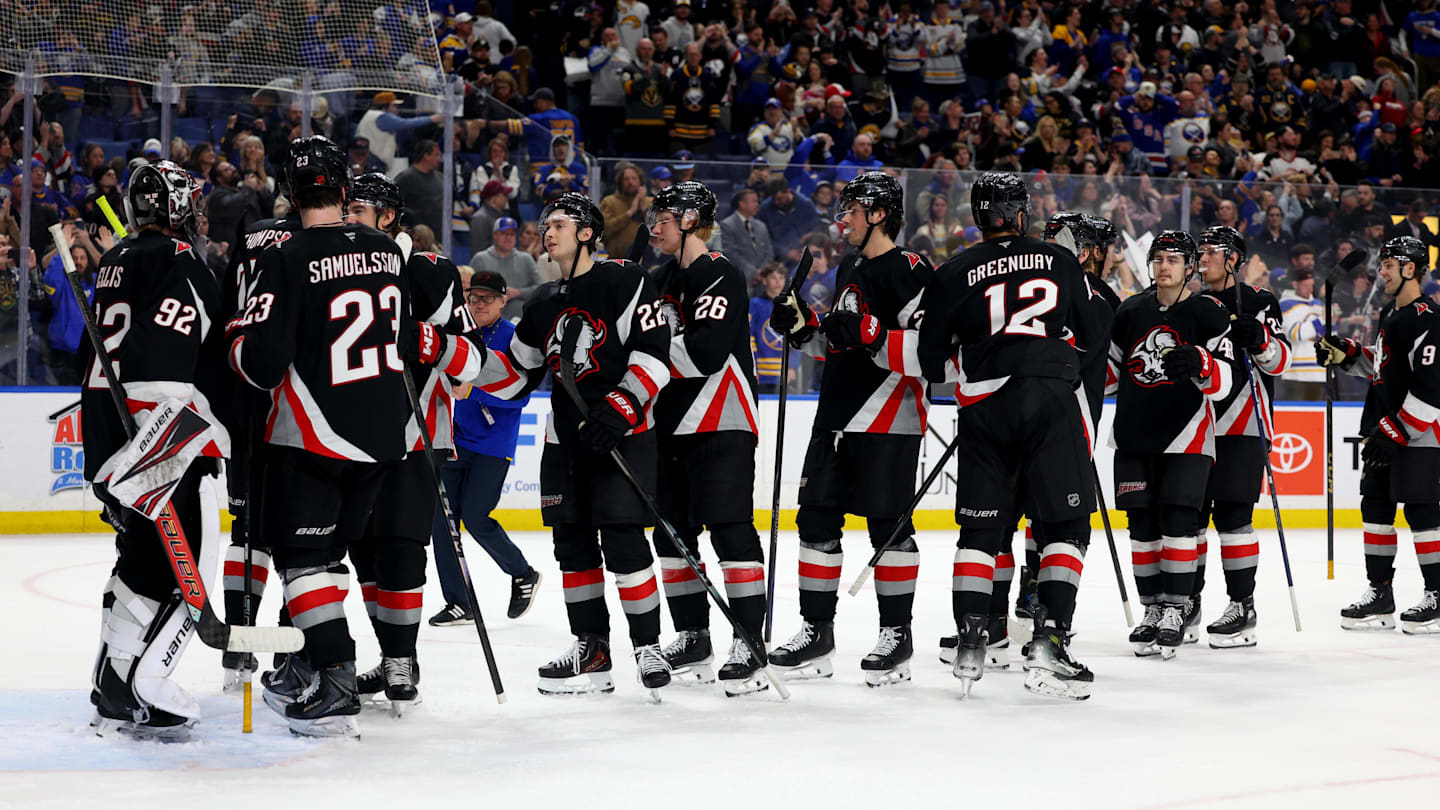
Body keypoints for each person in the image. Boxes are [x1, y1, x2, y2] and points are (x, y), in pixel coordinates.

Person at [410, 192, 673, 698]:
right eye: (545, 224)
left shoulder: (625, 281)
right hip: (564, 441)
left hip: (624, 434)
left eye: (558, 224)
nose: (546, 233)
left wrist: (620, 407)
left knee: (623, 541)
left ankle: (647, 646)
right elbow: (513, 375)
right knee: (572, 547)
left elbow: (655, 356)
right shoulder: (543, 301)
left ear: (587, 232)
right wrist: (444, 351)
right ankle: (592, 649)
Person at [229, 137, 411, 738]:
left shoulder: (287, 255)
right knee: (331, 556)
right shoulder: (387, 252)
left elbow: (263, 363)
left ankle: (334, 675)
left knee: (304, 559)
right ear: (343, 188)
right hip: (387, 438)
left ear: (289, 190)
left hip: (316, 434)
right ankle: (307, 661)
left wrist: (236, 337)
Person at [919, 183, 1102, 700]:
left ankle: (973, 637)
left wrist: (981, 361)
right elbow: (1090, 335)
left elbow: (932, 364)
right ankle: (1049, 643)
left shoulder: (953, 271)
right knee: (1064, 525)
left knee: (980, 533)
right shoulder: (1059, 260)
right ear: (1021, 213)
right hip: (1049, 399)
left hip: (984, 407)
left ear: (979, 216)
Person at [766, 172, 933, 687]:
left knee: (888, 529)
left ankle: (897, 636)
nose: (844, 220)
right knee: (815, 521)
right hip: (835, 415)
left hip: (888, 418)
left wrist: (870, 331)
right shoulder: (849, 266)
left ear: (880, 213)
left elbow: (929, 352)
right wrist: (806, 328)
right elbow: (845, 342)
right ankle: (817, 633)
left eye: (853, 210)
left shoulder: (911, 269)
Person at [85, 161, 229, 741]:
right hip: (160, 439)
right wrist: (166, 451)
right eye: (187, 202)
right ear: (171, 206)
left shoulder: (117, 258)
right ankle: (151, 682)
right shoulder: (181, 262)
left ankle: (112, 681)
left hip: (109, 433)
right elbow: (167, 367)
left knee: (140, 562)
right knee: (185, 564)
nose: (195, 212)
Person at [338, 172, 474, 715]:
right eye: (344, 207)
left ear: (389, 217)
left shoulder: (427, 270)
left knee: (399, 546)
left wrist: (418, 336)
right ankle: (394, 653)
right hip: (347, 434)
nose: (348, 216)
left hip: (415, 435)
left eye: (359, 208)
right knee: (362, 551)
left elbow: (470, 363)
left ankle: (401, 657)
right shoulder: (332, 271)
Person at [643, 182, 767, 695]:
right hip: (670, 421)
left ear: (691, 220)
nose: (654, 225)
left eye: (664, 217)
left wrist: (645, 352)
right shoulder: (657, 278)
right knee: (670, 535)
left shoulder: (719, 272)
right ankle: (694, 637)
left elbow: (705, 354)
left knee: (730, 530)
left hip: (722, 417)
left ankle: (749, 641)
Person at [1107, 230, 1239, 661]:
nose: (1164, 266)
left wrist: (1203, 363)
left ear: (1190, 267)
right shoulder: (1129, 311)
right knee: (1142, 528)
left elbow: (1225, 383)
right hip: (1133, 433)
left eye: (1173, 259)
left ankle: (1177, 609)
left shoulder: (1208, 312)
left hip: (1186, 436)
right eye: (1158, 258)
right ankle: (1151, 608)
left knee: (1178, 524)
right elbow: (1108, 374)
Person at [1317, 236, 1440, 635]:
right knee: (1376, 511)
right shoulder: (1391, 313)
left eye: (1389, 265)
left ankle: (1438, 595)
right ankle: (1381, 594)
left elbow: (1431, 386)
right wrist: (1348, 353)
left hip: (1418, 435)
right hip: (1384, 430)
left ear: (1410, 269)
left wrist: (1398, 430)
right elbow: (1384, 366)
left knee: (1422, 512)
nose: (1380, 272)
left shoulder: (1429, 319)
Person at [215, 199, 301, 696]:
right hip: (288, 403)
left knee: (246, 532)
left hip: (240, 400)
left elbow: (230, 310)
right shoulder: (308, 243)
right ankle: (293, 653)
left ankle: (238, 644)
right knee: (301, 534)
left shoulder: (251, 238)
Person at [1193, 225, 1291, 649]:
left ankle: (1242, 605)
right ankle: (1186, 601)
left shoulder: (1259, 301)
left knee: (1233, 518)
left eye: (1211, 251)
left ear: (1233, 258)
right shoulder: (1190, 302)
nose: (1202, 258)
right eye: (1200, 251)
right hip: (1195, 425)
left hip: (1244, 423)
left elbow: (1280, 362)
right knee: (1189, 517)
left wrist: (1262, 340)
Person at [427, 270, 542, 627]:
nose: (479, 304)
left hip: (493, 445)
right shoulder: (460, 333)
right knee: (443, 523)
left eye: (487, 298)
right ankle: (459, 601)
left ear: (503, 300)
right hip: (455, 440)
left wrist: (473, 390)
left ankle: (523, 572)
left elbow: (520, 398)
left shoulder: (513, 338)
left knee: (476, 517)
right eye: (474, 297)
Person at [472, 217, 541, 321]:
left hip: (520, 321)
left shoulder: (526, 259)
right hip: (487, 320)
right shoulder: (480, 259)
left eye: (512, 234)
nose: (508, 238)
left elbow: (540, 288)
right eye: (504, 233)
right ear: (495, 235)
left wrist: (518, 292)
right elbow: (469, 290)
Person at [1278, 256, 1326, 400]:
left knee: (1317, 416)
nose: (1310, 289)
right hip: (1296, 373)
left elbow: (1329, 336)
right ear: (1295, 284)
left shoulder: (1318, 304)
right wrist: (1322, 319)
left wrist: (1333, 321)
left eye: (1312, 285)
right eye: (1306, 286)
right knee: (1295, 416)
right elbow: (1296, 334)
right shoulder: (1286, 305)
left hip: (1319, 371)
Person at [719, 188, 773, 282]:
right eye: (754, 202)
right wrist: (753, 273)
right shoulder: (727, 225)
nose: (757, 205)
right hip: (741, 280)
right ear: (742, 204)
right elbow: (731, 254)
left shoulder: (761, 226)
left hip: (763, 280)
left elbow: (769, 252)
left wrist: (762, 272)